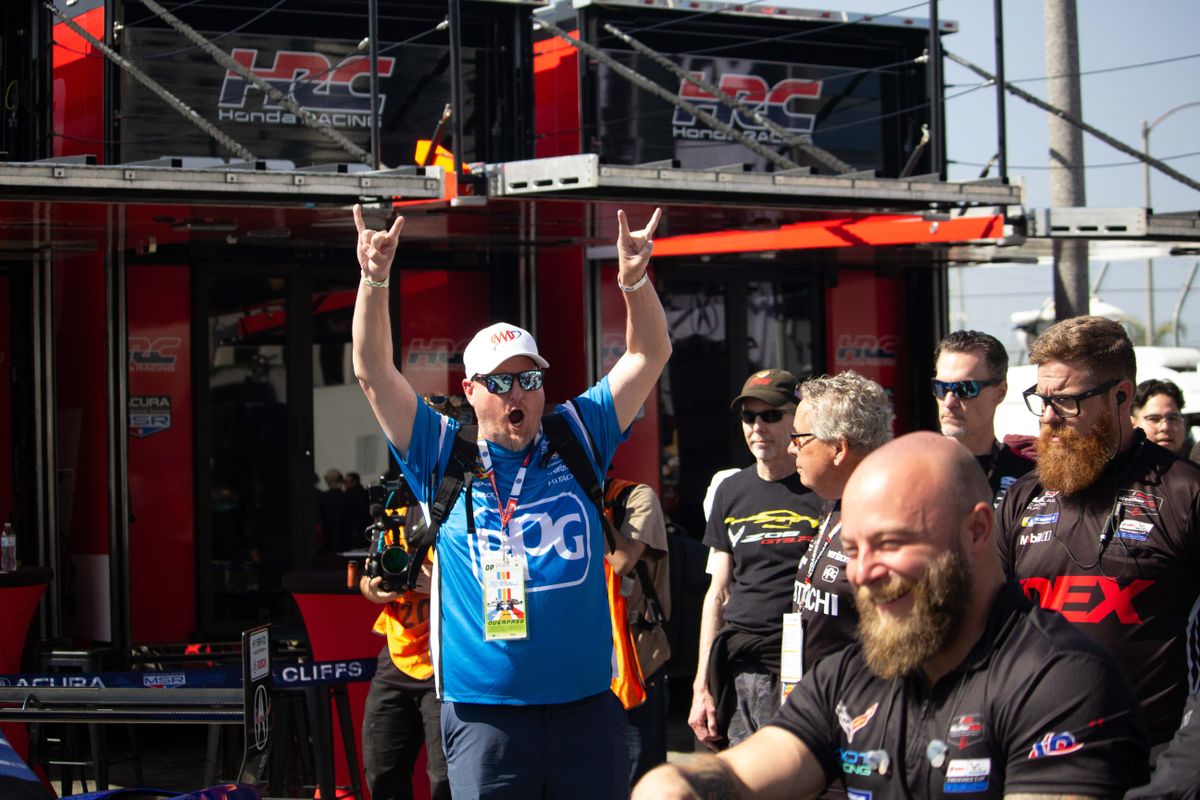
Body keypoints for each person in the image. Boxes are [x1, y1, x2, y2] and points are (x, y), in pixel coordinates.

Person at [634, 432, 1151, 800]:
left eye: (890, 544)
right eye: (853, 548)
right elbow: (751, 772)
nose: (862, 572)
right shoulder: (849, 675)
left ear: (976, 531)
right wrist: (670, 785)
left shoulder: (1062, 680)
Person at [351, 203, 670, 798]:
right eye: (499, 382)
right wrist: (374, 280)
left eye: (529, 378)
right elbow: (373, 370)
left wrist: (634, 282)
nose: (517, 393)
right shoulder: (439, 452)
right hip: (486, 717)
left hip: (587, 710)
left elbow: (647, 354)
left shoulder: (578, 434)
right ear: (470, 391)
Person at [995, 315, 1200, 751]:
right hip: (1035, 756)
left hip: (1153, 763)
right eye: (1041, 399)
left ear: (1121, 397)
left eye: (1067, 402)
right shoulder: (1024, 497)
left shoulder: (1186, 493)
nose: (1048, 418)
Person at [689, 369, 822, 750]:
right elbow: (716, 592)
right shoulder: (730, 490)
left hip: (800, 665)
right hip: (738, 662)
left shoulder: (820, 488)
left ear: (796, 419)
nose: (757, 427)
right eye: (749, 417)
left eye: (770, 415)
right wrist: (701, 685)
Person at [788, 371, 891, 680]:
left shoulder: (888, 522)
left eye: (799, 438)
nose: (791, 449)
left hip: (858, 715)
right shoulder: (834, 503)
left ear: (839, 449)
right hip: (813, 705)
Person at [359, 512, 449, 800]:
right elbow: (368, 576)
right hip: (396, 656)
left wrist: (440, 580)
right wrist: (370, 590)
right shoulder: (390, 514)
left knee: (444, 778)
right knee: (381, 769)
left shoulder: (461, 506)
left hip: (447, 659)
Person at [602, 475, 672, 784]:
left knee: (641, 782)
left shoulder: (636, 497)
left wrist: (587, 504)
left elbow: (623, 560)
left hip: (639, 668)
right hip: (586, 675)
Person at [932, 330, 1035, 505]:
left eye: (965, 389)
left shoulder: (1029, 476)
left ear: (1000, 393)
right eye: (940, 387)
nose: (949, 402)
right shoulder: (913, 469)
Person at [1130, 378, 1191, 457]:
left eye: (1172, 419)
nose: (1165, 427)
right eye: (1154, 419)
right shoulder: (1118, 467)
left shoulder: (1193, 467)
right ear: (1132, 423)